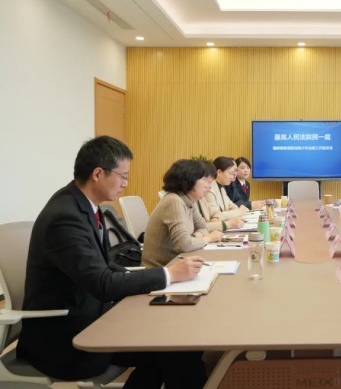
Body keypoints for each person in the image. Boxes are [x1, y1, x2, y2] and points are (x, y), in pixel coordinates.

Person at [17, 136, 207, 388]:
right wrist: (168, 275)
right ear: (98, 174)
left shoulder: (84, 205)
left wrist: (158, 278)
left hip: (94, 314)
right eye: (123, 176)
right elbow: (103, 284)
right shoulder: (65, 217)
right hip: (65, 337)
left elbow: (104, 266)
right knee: (176, 348)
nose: (126, 184)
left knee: (176, 342)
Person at [142, 159, 224, 268]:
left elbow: (203, 227)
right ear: (189, 180)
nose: (209, 186)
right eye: (204, 179)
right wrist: (208, 238)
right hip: (161, 270)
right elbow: (184, 245)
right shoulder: (174, 201)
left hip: (177, 263)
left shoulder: (189, 201)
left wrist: (193, 238)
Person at [196, 160, 244, 232]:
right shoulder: (209, 190)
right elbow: (198, 227)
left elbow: (216, 213)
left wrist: (218, 217)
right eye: (230, 173)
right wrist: (239, 212)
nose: (232, 177)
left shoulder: (221, 188)